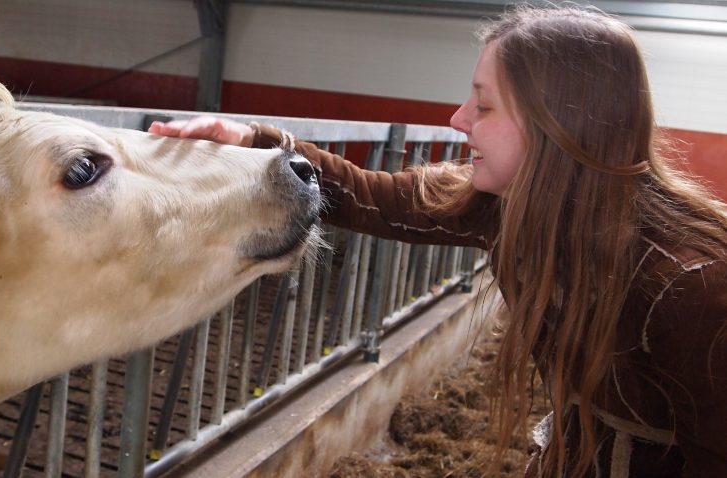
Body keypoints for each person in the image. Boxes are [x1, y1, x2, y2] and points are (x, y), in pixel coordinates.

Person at [149, 5, 727, 477]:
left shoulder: (688, 285)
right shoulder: (509, 211)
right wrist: (255, 141)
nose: (457, 118)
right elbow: (368, 196)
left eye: (484, 104)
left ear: (560, 124)